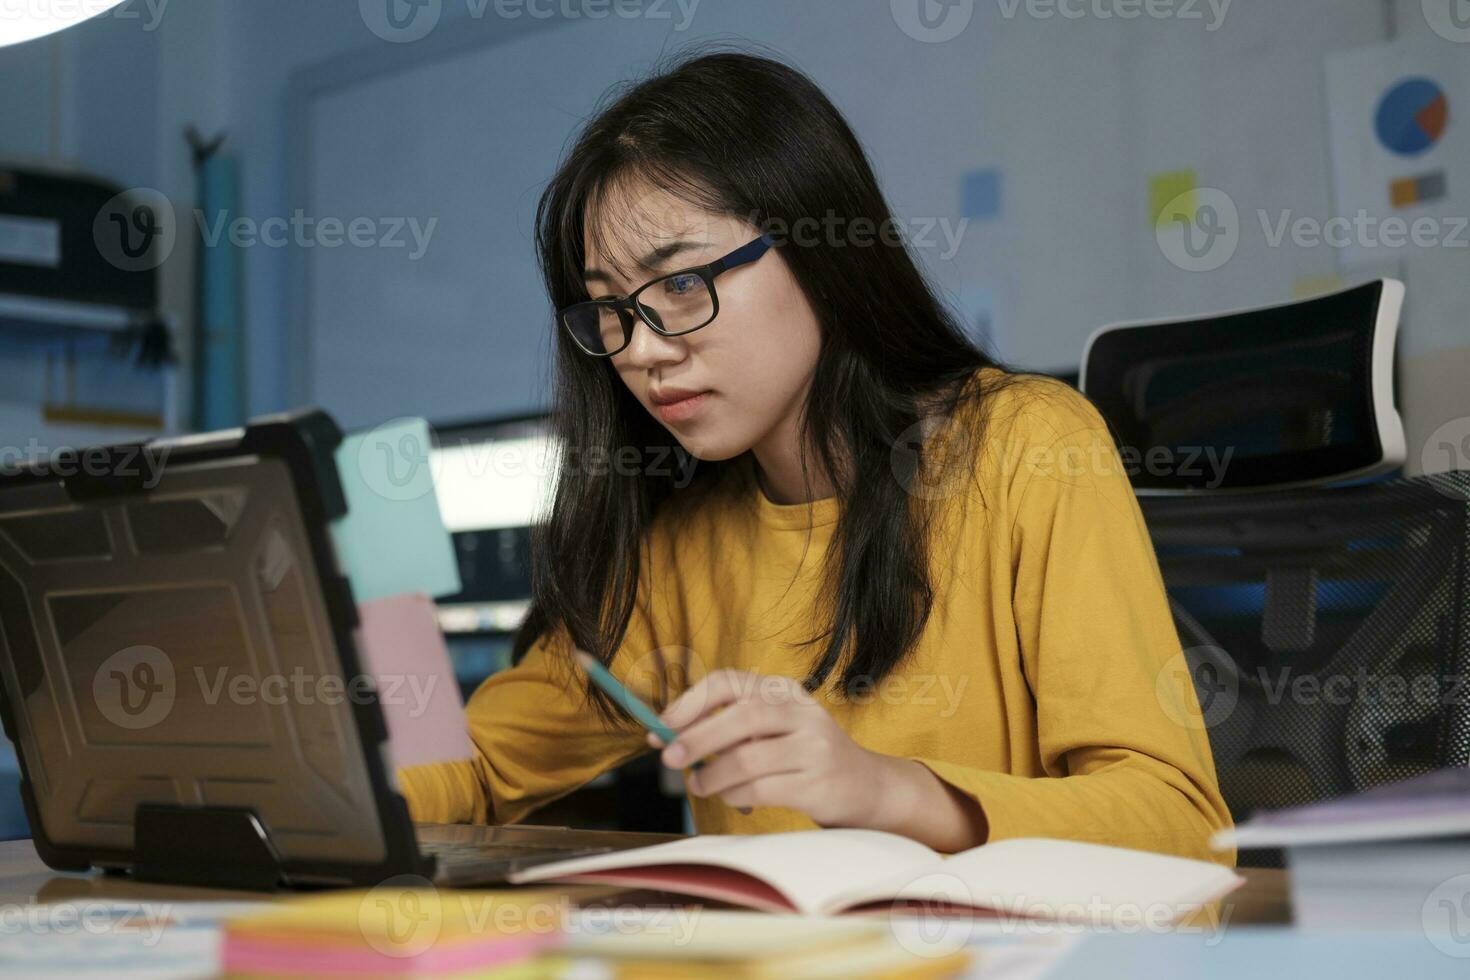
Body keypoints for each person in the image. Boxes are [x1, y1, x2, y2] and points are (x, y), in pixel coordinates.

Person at [398, 46, 1235, 866]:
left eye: (683, 282)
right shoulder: (679, 542)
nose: (642, 351)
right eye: (609, 309)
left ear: (821, 253)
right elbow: (475, 767)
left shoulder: (1031, 448)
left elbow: (1179, 826)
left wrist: (884, 792)